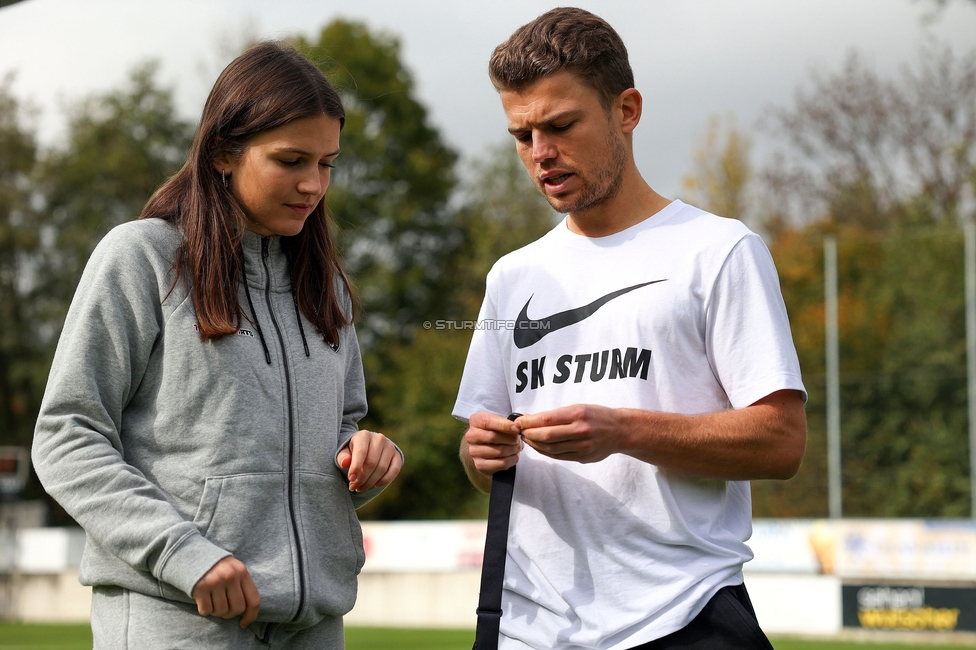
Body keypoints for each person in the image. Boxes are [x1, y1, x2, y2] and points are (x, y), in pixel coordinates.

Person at [454, 8, 806, 650]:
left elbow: (781, 442)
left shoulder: (719, 250)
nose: (541, 155)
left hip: (684, 614)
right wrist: (482, 454)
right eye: (522, 135)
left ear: (627, 110)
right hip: (531, 629)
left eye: (560, 125)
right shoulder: (512, 275)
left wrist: (623, 430)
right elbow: (483, 463)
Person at [31, 42, 402, 649]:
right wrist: (185, 553)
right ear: (225, 152)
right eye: (290, 160)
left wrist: (363, 454)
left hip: (313, 627)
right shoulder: (143, 258)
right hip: (175, 620)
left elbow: (337, 430)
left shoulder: (324, 283)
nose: (313, 184)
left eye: (327, 163)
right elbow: (67, 435)